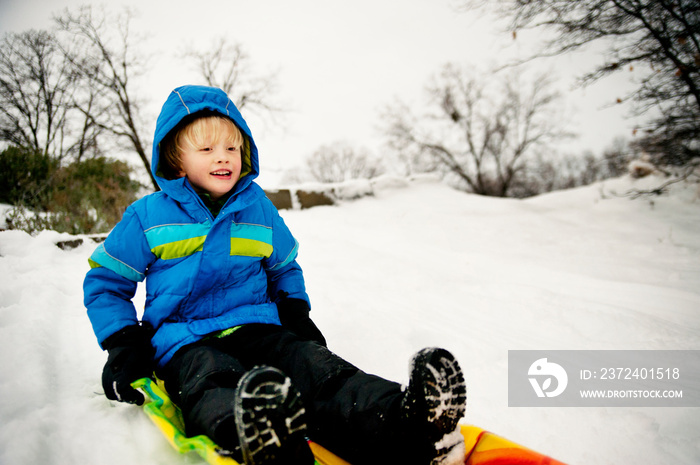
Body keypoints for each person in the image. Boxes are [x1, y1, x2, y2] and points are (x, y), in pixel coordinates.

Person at [84, 85, 467, 465]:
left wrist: (295, 312)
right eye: (207, 149)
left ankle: (409, 423)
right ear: (176, 160)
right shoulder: (148, 216)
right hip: (184, 340)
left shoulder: (258, 208)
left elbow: (284, 266)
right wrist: (122, 343)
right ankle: (257, 435)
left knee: (316, 369)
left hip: (258, 328)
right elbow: (106, 281)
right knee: (212, 379)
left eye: (232, 148)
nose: (223, 158)